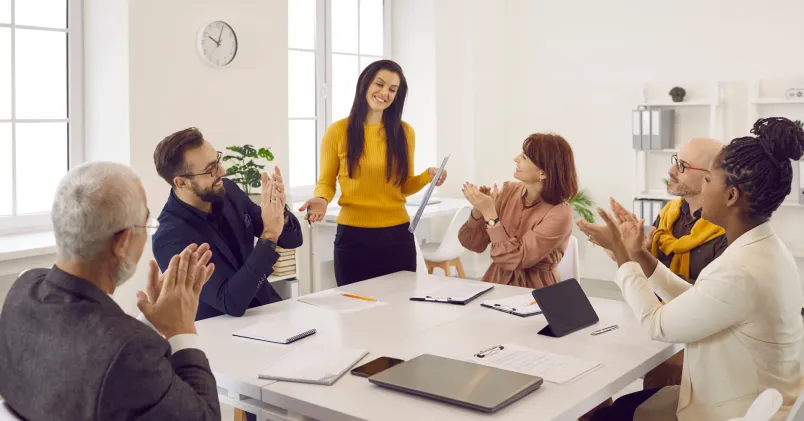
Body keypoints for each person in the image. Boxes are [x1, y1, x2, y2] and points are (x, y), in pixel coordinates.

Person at [578, 117, 804, 421]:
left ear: (731, 196)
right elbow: (702, 297)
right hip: (749, 397)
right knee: (619, 409)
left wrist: (622, 255)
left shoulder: (741, 269)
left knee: (604, 416)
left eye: (708, 180)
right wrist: (639, 255)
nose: (701, 189)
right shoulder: (766, 250)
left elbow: (657, 325)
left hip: (731, 411)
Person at [0, 162, 221, 420]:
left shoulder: (24, 289)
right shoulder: (130, 353)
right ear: (123, 242)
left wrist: (151, 320)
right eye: (146, 224)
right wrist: (181, 329)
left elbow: (90, 359)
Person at [299, 59, 446, 286]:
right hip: (353, 238)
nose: (384, 93)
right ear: (365, 84)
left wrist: (428, 176)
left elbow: (403, 187)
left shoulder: (404, 132)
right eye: (379, 84)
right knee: (354, 305)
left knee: (400, 305)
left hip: (397, 237)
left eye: (392, 89)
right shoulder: (338, 132)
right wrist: (321, 199)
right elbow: (326, 183)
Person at [605, 137, 728, 390]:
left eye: (682, 166)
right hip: (653, 319)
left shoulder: (726, 231)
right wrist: (628, 253)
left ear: (710, 177)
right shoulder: (669, 214)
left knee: (664, 371)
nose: (671, 171)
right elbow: (650, 279)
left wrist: (632, 257)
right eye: (675, 161)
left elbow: (705, 302)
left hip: (698, 333)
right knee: (603, 355)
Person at [152, 127, 303, 320]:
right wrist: (270, 235)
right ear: (182, 183)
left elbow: (293, 239)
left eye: (217, 161)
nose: (222, 171)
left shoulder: (228, 190)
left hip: (267, 309)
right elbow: (230, 302)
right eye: (210, 169)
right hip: (220, 328)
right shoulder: (169, 237)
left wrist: (279, 210)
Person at [457, 133, 577, 289]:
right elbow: (473, 244)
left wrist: (489, 212)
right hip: (495, 283)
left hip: (536, 291)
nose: (516, 159)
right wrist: (479, 211)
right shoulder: (509, 191)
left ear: (543, 173)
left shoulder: (560, 213)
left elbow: (515, 259)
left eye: (525, 157)